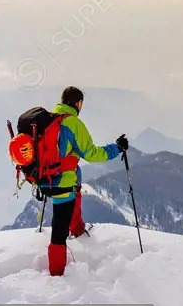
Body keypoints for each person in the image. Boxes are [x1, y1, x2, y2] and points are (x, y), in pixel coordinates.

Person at [46, 86, 129, 276]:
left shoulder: (50, 118)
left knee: (74, 190)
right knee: (59, 231)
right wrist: (116, 149)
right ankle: (56, 274)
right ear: (78, 103)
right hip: (62, 183)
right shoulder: (73, 123)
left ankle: (76, 228)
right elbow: (92, 154)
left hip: (46, 178)